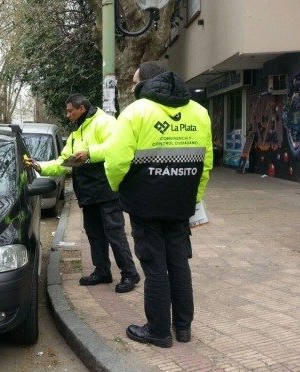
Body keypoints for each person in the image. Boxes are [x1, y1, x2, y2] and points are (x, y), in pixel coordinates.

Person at [103, 62, 213, 347]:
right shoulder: (199, 113)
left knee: (154, 267)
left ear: (145, 83)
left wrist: (119, 188)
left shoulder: (135, 112)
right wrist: (194, 197)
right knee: (179, 264)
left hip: (145, 205)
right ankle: (183, 329)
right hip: (181, 205)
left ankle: (159, 331)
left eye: (134, 80)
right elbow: (206, 163)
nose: (132, 85)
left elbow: (116, 162)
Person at [24, 93, 140, 292]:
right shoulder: (76, 133)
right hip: (87, 192)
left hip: (106, 188)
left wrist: (90, 153)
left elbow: (116, 148)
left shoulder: (105, 122)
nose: (67, 114)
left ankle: (130, 274)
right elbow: (63, 162)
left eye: (70, 110)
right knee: (94, 233)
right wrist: (40, 166)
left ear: (81, 108)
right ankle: (102, 271)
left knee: (114, 233)